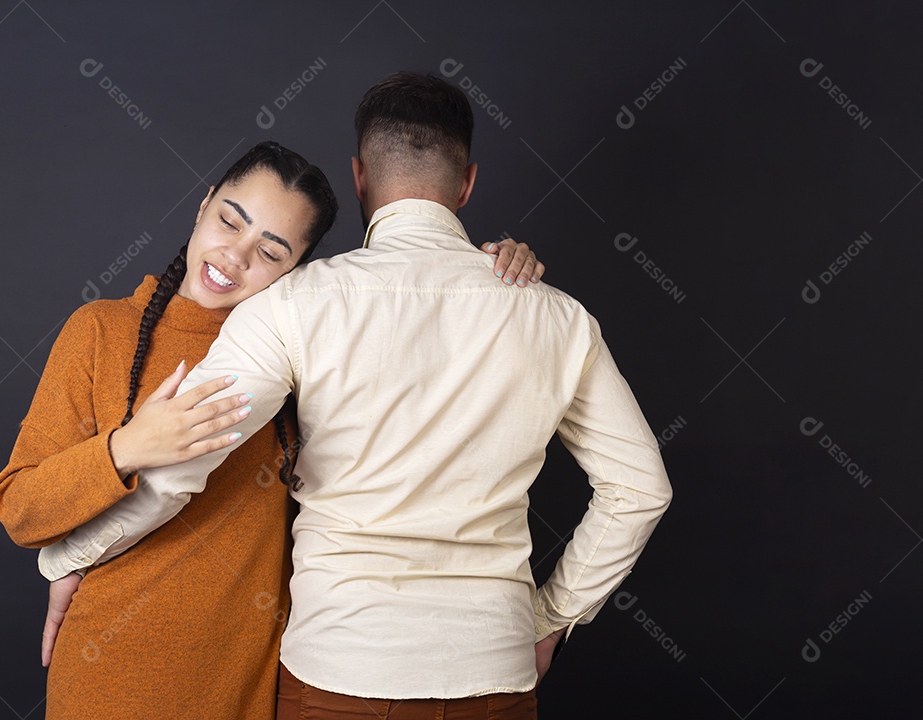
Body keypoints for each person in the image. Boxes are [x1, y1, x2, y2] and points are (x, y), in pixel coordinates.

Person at [36, 72, 671, 719]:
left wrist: (70, 557)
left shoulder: (293, 304)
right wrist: (550, 617)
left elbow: (178, 471)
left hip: (338, 675)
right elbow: (643, 490)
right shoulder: (556, 317)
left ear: (360, 177)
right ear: (468, 184)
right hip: (493, 671)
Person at [0, 140, 545, 720]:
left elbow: (424, 352)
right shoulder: (101, 331)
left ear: (297, 273)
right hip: (108, 675)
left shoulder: (308, 350)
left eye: (270, 251)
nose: (234, 256)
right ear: (203, 204)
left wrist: (493, 269)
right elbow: (20, 508)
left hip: (250, 681)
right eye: (229, 220)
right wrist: (126, 448)